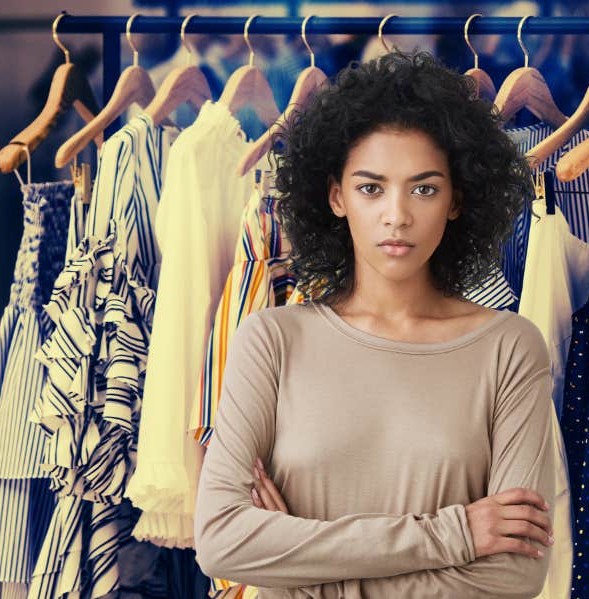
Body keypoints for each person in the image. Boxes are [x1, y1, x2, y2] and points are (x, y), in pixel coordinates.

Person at [193, 49, 558, 598]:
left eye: (424, 188)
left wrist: (302, 566)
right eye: (371, 188)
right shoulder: (271, 340)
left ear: (457, 200)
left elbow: (515, 573)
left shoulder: (509, 348)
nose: (397, 215)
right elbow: (221, 542)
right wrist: (456, 533)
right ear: (336, 196)